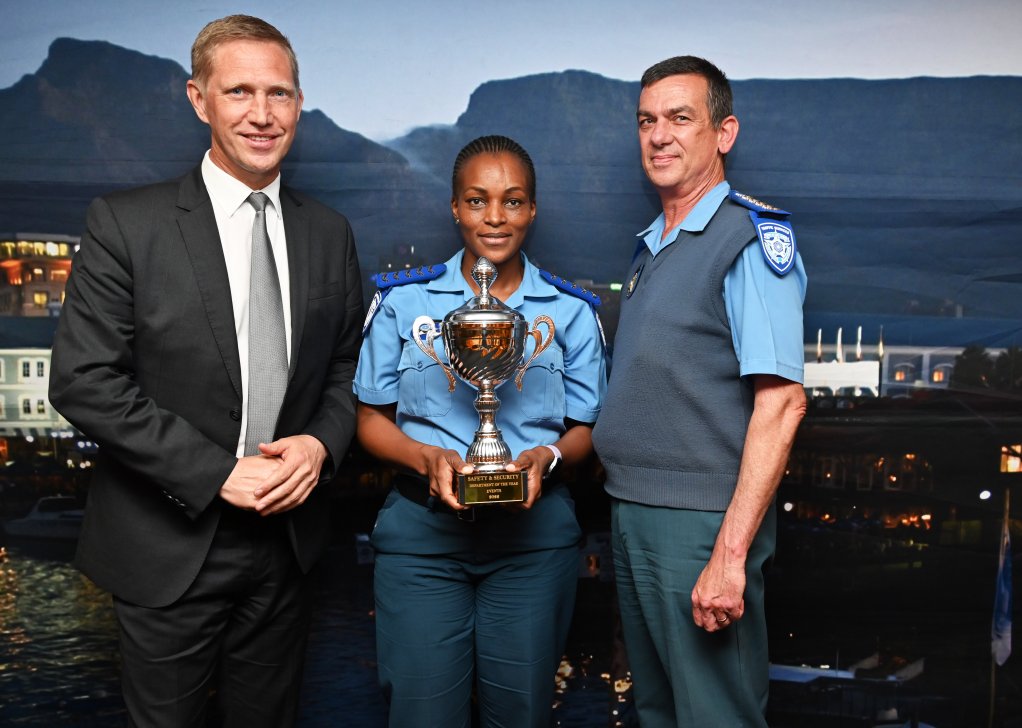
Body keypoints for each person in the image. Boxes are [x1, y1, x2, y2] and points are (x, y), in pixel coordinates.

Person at [48, 15, 363, 727]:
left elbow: (346, 368)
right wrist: (218, 470)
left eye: (279, 94)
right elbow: (83, 379)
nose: (262, 114)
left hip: (287, 547)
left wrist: (320, 444)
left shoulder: (328, 232)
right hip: (167, 544)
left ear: (300, 103)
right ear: (199, 99)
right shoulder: (127, 224)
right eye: (240, 92)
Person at [355, 135, 606, 727]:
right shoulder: (403, 301)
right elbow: (369, 419)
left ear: (533, 210)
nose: (495, 218)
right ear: (454, 208)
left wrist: (546, 456)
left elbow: (586, 428)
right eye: (477, 200)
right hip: (422, 540)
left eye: (513, 201)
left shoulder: (569, 310)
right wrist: (426, 459)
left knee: (520, 716)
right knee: (420, 716)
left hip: (532, 543)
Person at [591, 56, 808, 727]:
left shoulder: (748, 240)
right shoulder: (652, 245)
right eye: (646, 121)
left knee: (716, 715)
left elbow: (782, 403)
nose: (659, 136)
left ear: (724, 133)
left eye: (680, 119)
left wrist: (729, 556)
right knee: (657, 709)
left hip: (701, 526)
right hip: (632, 510)